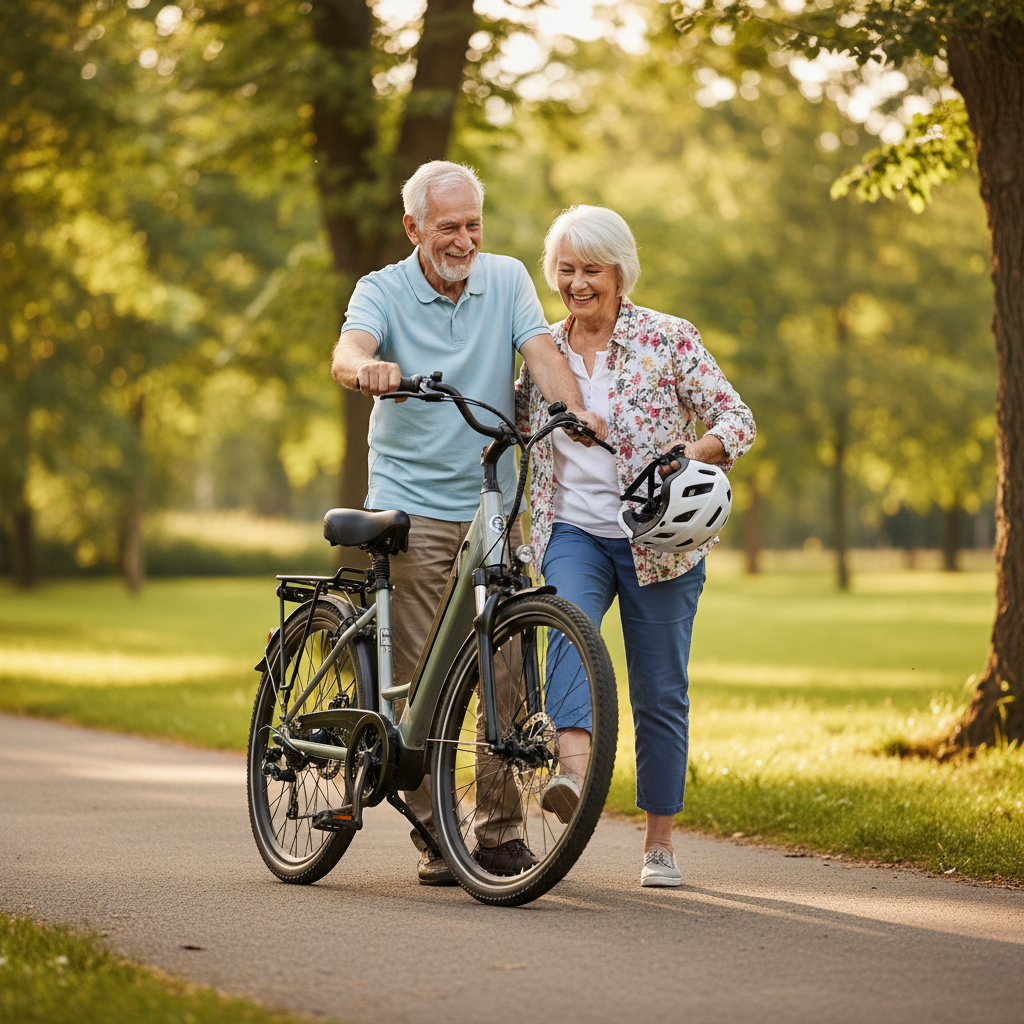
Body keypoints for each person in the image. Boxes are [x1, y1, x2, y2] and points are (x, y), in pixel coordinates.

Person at [330, 162, 607, 886]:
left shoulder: (508, 278)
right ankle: (433, 825)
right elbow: (348, 349)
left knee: (505, 667)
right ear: (414, 228)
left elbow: (542, 355)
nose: (464, 239)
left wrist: (571, 408)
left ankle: (500, 830)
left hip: (491, 498)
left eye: (473, 224)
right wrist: (367, 369)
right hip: (412, 500)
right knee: (420, 681)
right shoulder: (381, 288)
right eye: (448, 226)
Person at [516, 205, 755, 887]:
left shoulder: (668, 338)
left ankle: (659, 843)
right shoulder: (541, 349)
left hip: (661, 543)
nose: (577, 282)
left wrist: (695, 451)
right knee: (568, 630)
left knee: (659, 691)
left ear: (620, 273)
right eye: (566, 269)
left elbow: (737, 419)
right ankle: (572, 774)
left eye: (591, 268)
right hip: (573, 531)